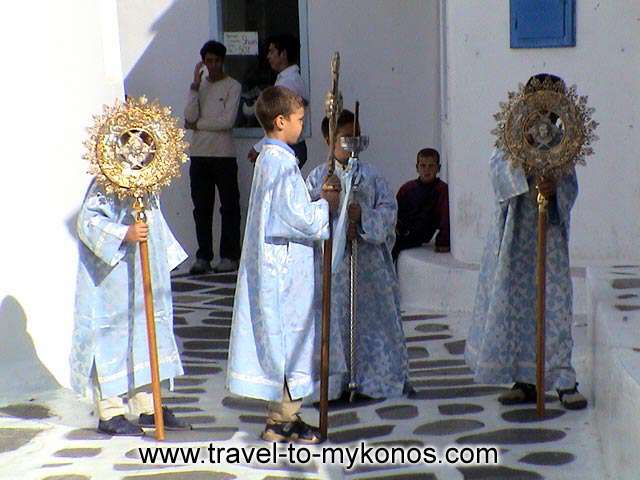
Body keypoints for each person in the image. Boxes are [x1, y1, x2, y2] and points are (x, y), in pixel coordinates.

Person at [465, 74, 588, 411]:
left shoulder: (564, 141)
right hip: (516, 236)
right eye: (539, 102)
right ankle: (524, 378)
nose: (544, 112)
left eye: (551, 104)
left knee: (554, 303)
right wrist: (522, 170)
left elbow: (570, 186)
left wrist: (555, 189)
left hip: (548, 238)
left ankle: (563, 379)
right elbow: (498, 173)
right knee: (516, 306)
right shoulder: (510, 137)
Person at [226, 86, 339, 443]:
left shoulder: (270, 158)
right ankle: (281, 419)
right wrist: (325, 204)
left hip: (281, 262)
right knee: (291, 339)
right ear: (280, 121)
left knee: (289, 340)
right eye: (299, 120)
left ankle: (284, 416)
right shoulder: (279, 161)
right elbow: (292, 216)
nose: (302, 127)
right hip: (285, 269)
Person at [70, 180, 192, 435]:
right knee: (112, 339)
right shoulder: (106, 182)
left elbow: (153, 220)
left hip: (145, 272)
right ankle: (110, 411)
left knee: (148, 335)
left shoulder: (147, 180)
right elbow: (88, 222)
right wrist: (124, 233)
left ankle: (148, 404)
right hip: (113, 279)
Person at [306, 110, 410, 401]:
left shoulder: (372, 176)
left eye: (356, 135)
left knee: (372, 323)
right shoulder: (318, 177)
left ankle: (372, 380)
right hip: (333, 268)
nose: (351, 142)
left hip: (368, 269)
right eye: (344, 137)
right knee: (333, 323)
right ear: (328, 140)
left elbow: (389, 214)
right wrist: (330, 210)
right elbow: (306, 219)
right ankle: (336, 383)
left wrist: (362, 217)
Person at [184, 40, 242, 274]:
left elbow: (227, 122)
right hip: (199, 154)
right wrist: (195, 86)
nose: (213, 65)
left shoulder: (233, 86)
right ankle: (203, 257)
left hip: (224, 155)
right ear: (203, 63)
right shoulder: (199, 87)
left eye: (217, 60)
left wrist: (198, 124)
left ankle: (229, 256)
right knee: (201, 208)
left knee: (229, 207)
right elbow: (188, 116)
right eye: (209, 61)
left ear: (223, 61)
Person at [247, 34, 309, 168]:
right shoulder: (287, 79)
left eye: (272, 51)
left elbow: (279, 123)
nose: (268, 56)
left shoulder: (288, 82)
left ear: (283, 54)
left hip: (288, 146)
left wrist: (259, 148)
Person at [393, 148, 450, 260]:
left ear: (438, 168)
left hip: (420, 234)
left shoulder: (441, 190)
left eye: (431, 166)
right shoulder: (407, 189)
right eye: (423, 166)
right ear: (417, 168)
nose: (426, 170)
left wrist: (443, 241)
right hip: (401, 233)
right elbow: (394, 213)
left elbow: (445, 217)